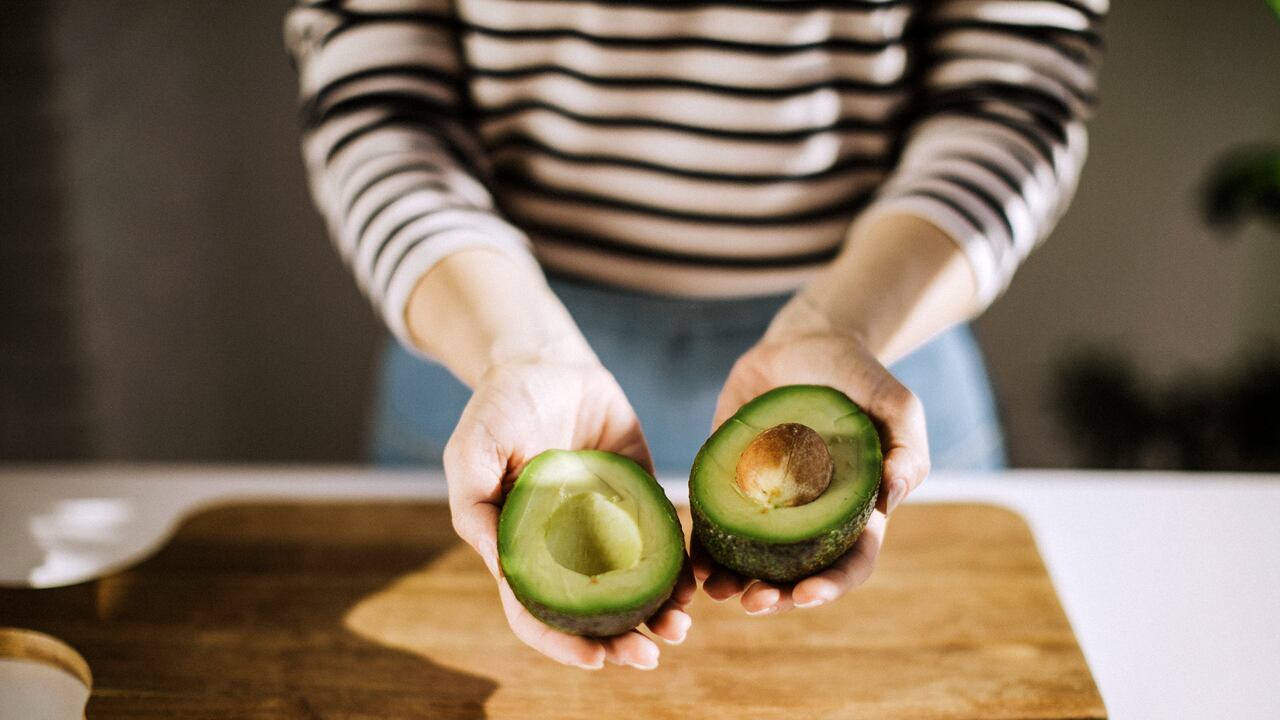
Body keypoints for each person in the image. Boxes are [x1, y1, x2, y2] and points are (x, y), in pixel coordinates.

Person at [285, 0, 1105, 670]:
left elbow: (1014, 91)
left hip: (872, 331)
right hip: (492, 342)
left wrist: (840, 322)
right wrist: (519, 350)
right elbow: (378, 98)